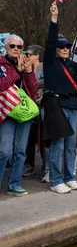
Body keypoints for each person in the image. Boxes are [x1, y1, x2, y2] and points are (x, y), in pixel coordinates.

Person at [43, 1, 77, 194]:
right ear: (55, 49)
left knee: (71, 145)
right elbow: (50, 41)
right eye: (61, 47)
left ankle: (70, 177)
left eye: (67, 47)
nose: (65, 49)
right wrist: (54, 19)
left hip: (72, 106)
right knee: (58, 145)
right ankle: (56, 180)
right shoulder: (50, 62)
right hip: (57, 106)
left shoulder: (71, 64)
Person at [0, 34, 38, 196]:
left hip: (24, 112)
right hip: (7, 112)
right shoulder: (1, 64)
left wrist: (28, 72)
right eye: (12, 46)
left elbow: (33, 90)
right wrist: (17, 71)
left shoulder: (25, 63)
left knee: (21, 150)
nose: (16, 49)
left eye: (19, 47)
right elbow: (2, 85)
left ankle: (14, 184)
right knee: (4, 150)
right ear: (6, 48)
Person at [23, 45, 45, 177]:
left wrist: (35, 82)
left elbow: (46, 81)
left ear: (36, 56)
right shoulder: (24, 67)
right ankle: (28, 165)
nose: (27, 56)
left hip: (42, 106)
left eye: (29, 54)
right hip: (28, 107)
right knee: (29, 138)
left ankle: (45, 164)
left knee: (43, 137)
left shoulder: (44, 67)